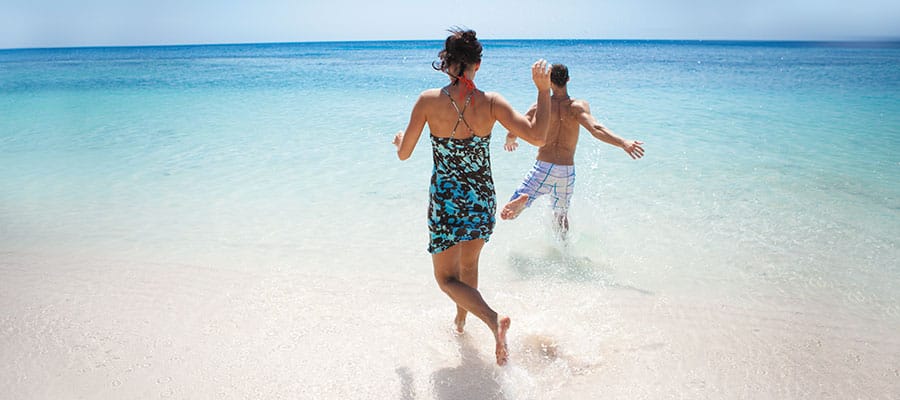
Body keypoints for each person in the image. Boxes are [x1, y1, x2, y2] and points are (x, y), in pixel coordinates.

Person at [392, 28, 552, 366]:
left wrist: (398, 142)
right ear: (477, 65)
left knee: (446, 278)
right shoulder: (492, 102)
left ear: (448, 64)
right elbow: (538, 138)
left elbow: (404, 154)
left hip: (446, 200)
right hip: (481, 198)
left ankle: (493, 320)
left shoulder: (427, 101)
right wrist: (543, 91)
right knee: (469, 265)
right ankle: (462, 323)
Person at [500, 63, 645, 238]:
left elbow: (517, 129)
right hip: (566, 172)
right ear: (568, 79)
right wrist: (623, 142)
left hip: (542, 167)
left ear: (549, 81)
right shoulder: (577, 106)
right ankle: (564, 250)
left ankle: (523, 201)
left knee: (511, 214)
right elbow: (596, 129)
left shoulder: (541, 106)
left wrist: (510, 139)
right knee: (561, 215)